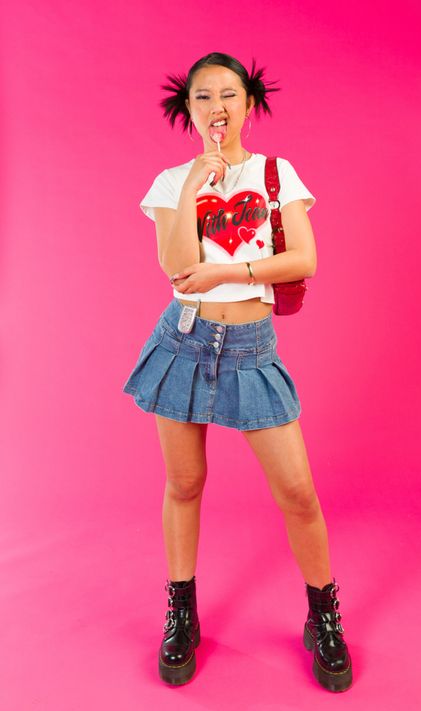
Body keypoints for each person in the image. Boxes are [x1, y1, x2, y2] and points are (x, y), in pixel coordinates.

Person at [123, 52, 352, 692]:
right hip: (186, 342)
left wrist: (229, 271)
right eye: (203, 97)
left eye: (229, 94)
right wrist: (198, 178)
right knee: (185, 483)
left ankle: (323, 612)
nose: (216, 106)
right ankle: (181, 610)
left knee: (298, 493)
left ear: (250, 102)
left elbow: (303, 256)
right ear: (188, 109)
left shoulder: (276, 174)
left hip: (251, 345)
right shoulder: (173, 181)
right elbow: (173, 266)